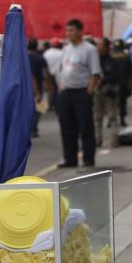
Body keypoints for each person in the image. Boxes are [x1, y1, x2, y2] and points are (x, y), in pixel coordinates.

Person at [55, 19, 101, 169]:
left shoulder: (89, 49)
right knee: (67, 127)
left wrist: (89, 92)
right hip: (66, 92)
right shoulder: (66, 48)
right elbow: (62, 69)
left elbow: (95, 73)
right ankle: (70, 158)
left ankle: (88, 158)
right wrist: (61, 86)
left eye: (72, 30)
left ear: (80, 32)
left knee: (85, 127)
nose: (69, 33)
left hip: (81, 92)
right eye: (67, 30)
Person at [93, 37, 124, 152]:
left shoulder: (113, 61)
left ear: (106, 47)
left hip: (109, 92)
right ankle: (97, 139)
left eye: (100, 45)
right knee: (97, 117)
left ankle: (114, 139)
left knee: (112, 117)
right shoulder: (95, 61)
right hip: (98, 92)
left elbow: (117, 76)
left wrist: (104, 79)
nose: (98, 48)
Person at [27, 38, 47, 137]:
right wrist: (38, 92)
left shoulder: (23, 57)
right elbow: (45, 73)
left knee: (28, 109)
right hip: (37, 87)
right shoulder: (40, 58)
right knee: (38, 109)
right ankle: (33, 128)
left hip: (25, 88)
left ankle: (30, 128)